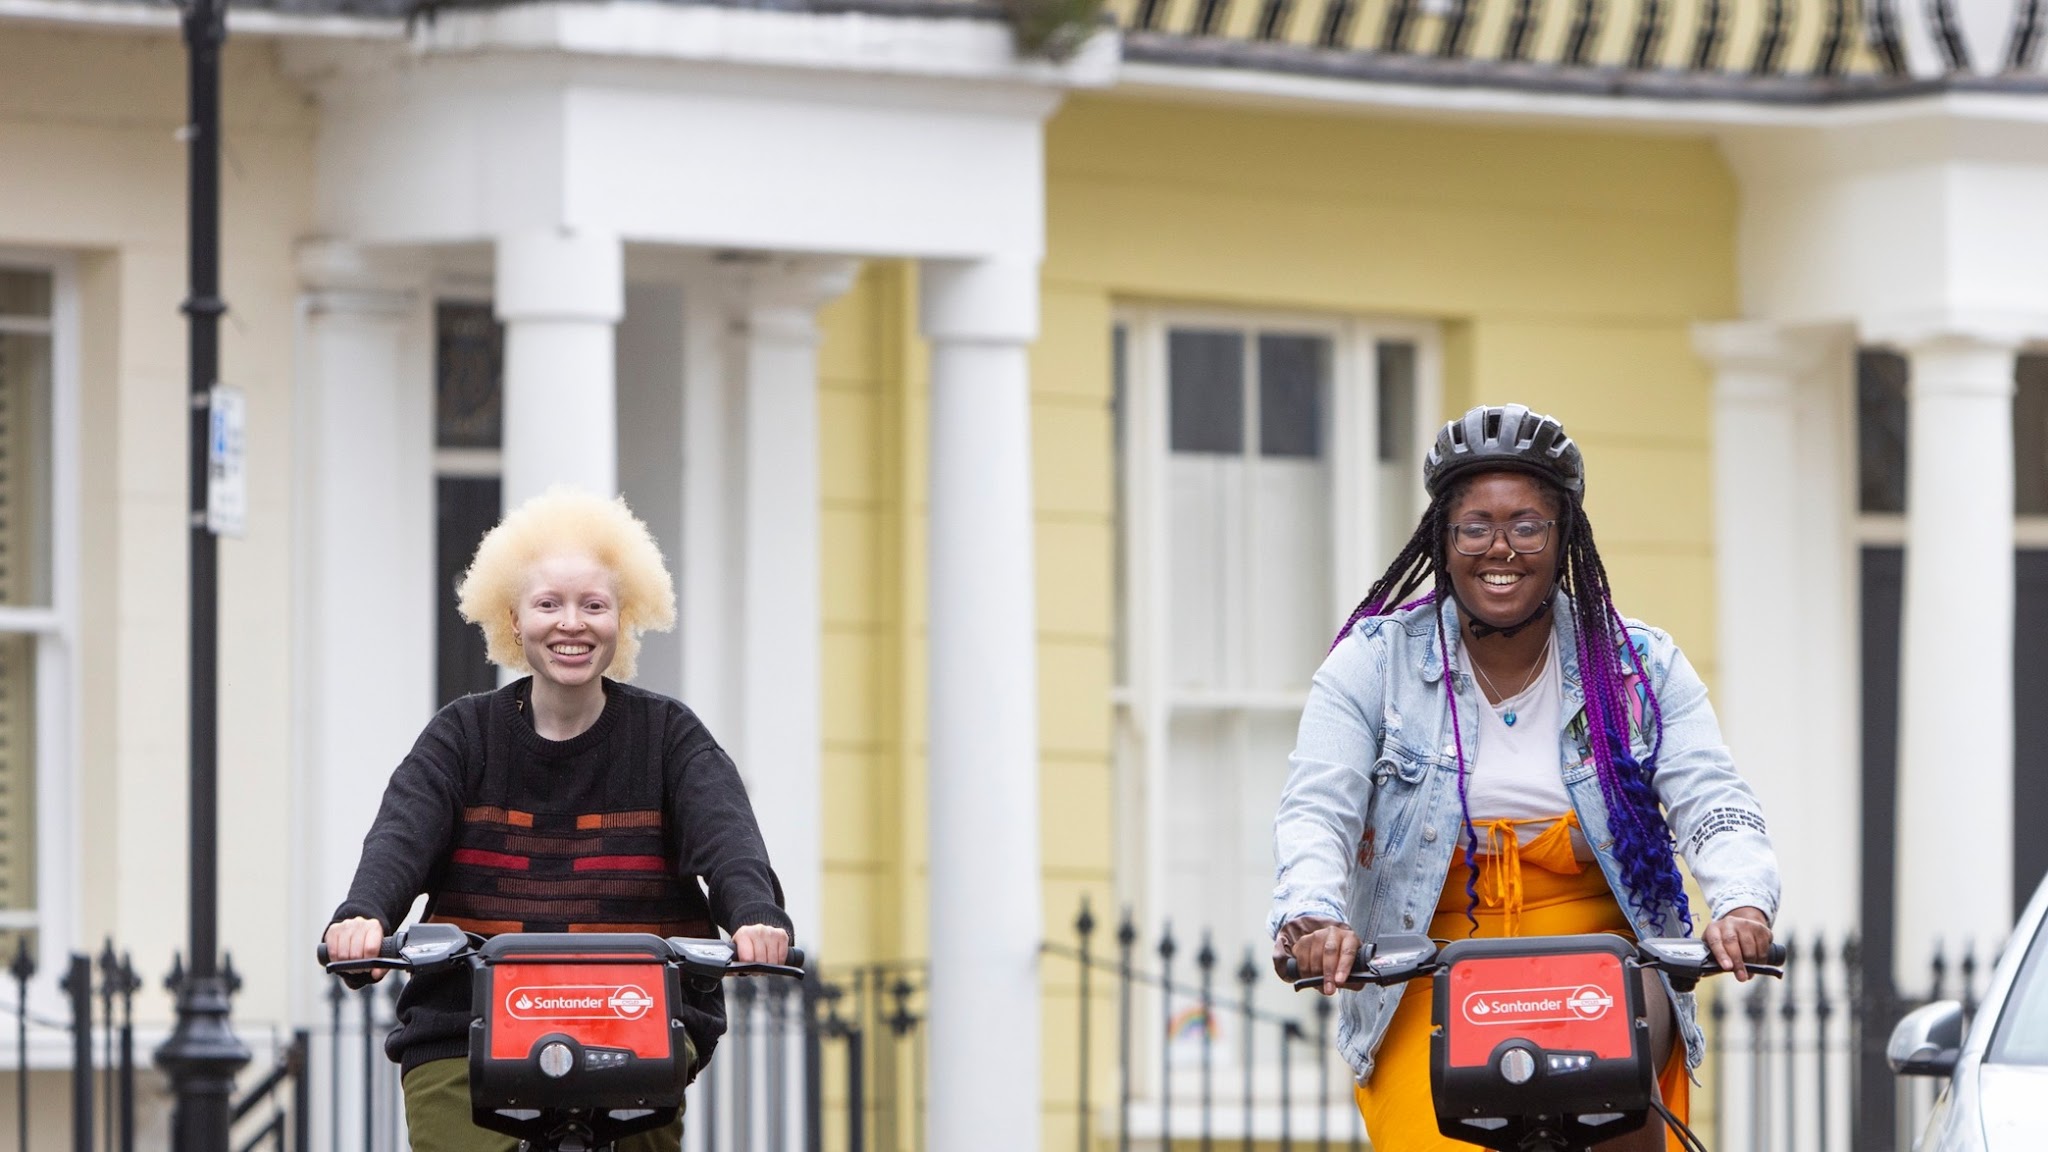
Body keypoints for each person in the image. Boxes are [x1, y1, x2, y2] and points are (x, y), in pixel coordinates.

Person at [1269, 405, 1779, 1152]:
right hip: (1428, 971)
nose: (1498, 547)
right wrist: (1313, 916)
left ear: (1563, 537)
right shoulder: (1373, 665)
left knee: (1616, 1107)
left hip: (1605, 968)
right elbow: (1317, 809)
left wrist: (1742, 901)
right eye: (1474, 526)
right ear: (1444, 542)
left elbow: (1714, 800)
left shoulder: (1640, 665)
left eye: (1527, 525)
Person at [322, 486, 792, 1152]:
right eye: (548, 604)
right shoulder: (462, 736)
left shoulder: (668, 737)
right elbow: (403, 834)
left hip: (634, 1027)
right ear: (513, 619)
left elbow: (727, 837)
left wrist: (755, 916)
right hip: (469, 1032)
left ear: (622, 618)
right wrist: (365, 915)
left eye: (593, 605)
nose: (571, 623)